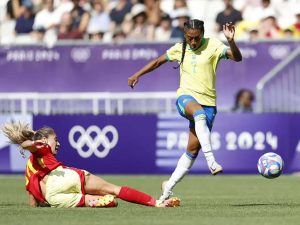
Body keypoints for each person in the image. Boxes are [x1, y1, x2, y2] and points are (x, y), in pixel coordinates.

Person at [128, 19, 242, 204]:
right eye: (190, 38)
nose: (194, 42)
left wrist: (231, 41)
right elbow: (157, 62)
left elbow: (237, 57)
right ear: (185, 36)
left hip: (209, 103)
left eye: (197, 38)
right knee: (198, 114)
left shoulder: (213, 45)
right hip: (186, 97)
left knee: (192, 150)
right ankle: (212, 161)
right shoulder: (179, 48)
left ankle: (168, 187)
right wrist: (136, 75)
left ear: (203, 35)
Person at [1, 122, 180, 208]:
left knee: (89, 200)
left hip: (53, 197)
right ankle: (157, 203)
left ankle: (98, 202)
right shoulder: (42, 147)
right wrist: (30, 144)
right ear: (45, 139)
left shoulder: (30, 168)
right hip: (62, 177)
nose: (57, 143)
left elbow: (32, 199)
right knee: (114, 189)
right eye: (55, 139)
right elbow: (29, 145)